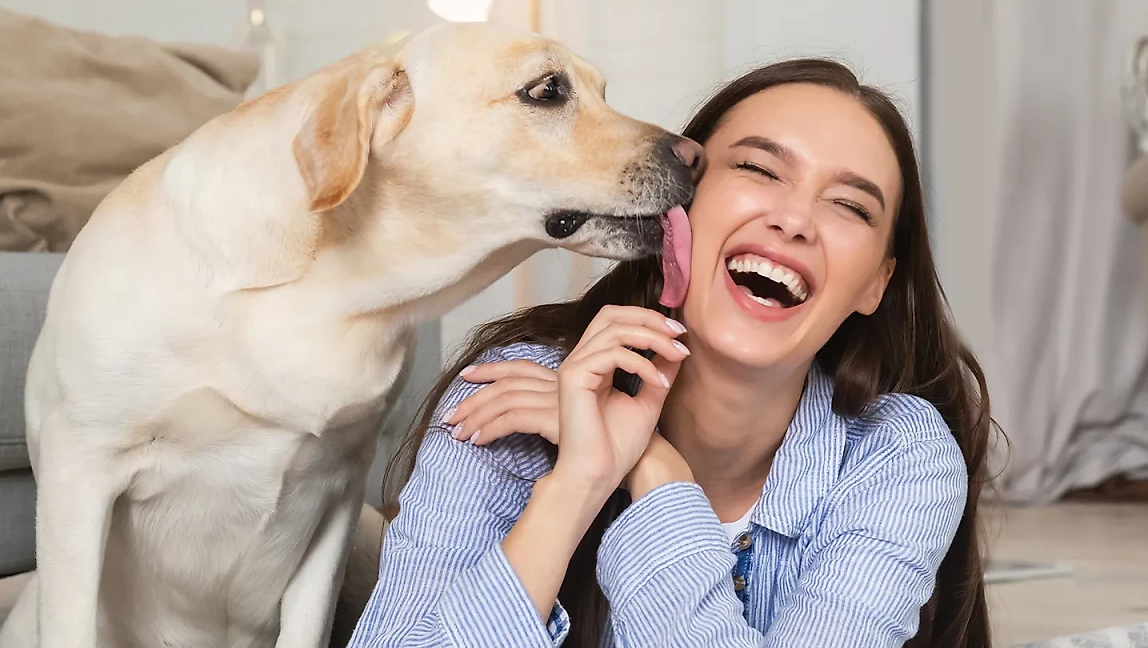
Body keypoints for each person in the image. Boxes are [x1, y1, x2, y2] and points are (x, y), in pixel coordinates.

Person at [348, 58, 996, 648]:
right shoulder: (513, 396)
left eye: (850, 206)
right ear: (676, 208)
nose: (795, 220)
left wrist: (654, 472)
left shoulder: (897, 456)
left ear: (876, 283)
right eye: (760, 170)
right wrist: (575, 485)